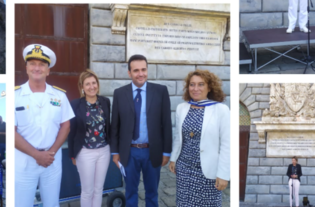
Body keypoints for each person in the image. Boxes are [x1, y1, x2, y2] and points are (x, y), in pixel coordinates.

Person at [15, 44, 75, 207]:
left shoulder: (59, 95)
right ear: (26, 68)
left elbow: (66, 125)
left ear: (48, 70)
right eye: (32, 63)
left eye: (42, 64)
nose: (37, 68)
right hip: (24, 162)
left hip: (51, 160)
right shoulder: (14, 96)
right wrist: (36, 154)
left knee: (52, 204)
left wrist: (51, 152)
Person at [111, 54, 172, 207]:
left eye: (143, 69)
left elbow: (166, 123)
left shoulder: (160, 91)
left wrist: (166, 152)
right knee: (131, 192)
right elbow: (115, 126)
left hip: (152, 151)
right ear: (129, 73)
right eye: (136, 70)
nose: (140, 74)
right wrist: (115, 152)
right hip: (129, 152)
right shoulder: (120, 93)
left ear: (147, 70)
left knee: (152, 192)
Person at [169, 70, 230, 207]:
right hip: (184, 169)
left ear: (209, 87)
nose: (195, 89)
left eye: (201, 84)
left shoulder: (221, 110)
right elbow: (178, 137)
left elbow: (227, 144)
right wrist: (173, 158)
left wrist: (224, 174)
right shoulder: (181, 108)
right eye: (192, 84)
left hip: (207, 171)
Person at [68, 70, 111, 207]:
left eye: (94, 83)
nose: (91, 87)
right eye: (88, 84)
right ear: (82, 87)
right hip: (85, 152)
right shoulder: (75, 104)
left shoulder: (105, 102)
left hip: (104, 151)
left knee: (99, 190)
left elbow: (108, 126)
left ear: (97, 84)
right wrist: (72, 155)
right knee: (87, 191)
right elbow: (71, 130)